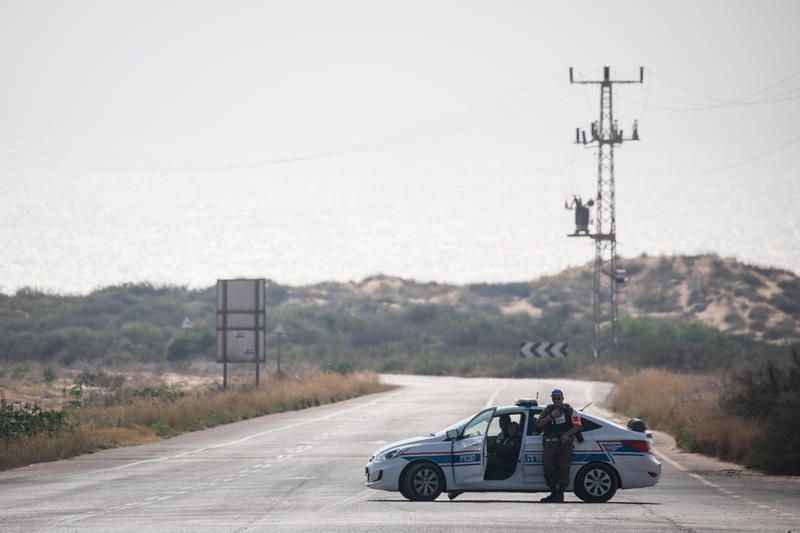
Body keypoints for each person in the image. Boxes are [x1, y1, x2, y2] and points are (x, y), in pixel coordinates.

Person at [536, 388, 582, 503]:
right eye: (554, 398)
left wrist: (567, 434)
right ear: (552, 399)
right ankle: (553, 493)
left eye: (559, 398)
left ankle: (560, 494)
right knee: (548, 468)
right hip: (550, 443)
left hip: (564, 444)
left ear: (562, 398)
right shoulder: (548, 410)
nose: (557, 400)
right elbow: (538, 425)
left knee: (563, 468)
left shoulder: (569, 411)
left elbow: (577, 426)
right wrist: (551, 416)